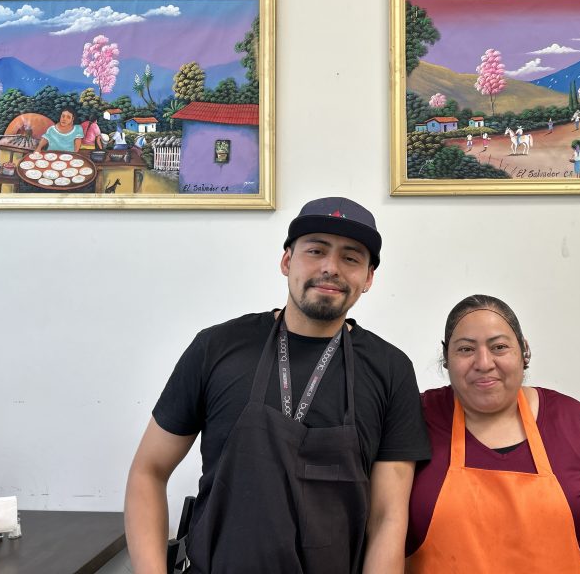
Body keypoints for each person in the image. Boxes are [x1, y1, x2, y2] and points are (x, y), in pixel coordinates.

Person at [125, 197, 431, 573]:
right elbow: (148, 471)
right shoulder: (217, 347)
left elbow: (388, 517)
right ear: (287, 261)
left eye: (351, 258)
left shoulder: (391, 369)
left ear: (368, 278)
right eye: (315, 250)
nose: (330, 267)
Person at [406, 295, 580, 573]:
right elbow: (382, 526)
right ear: (447, 358)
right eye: (465, 349)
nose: (484, 363)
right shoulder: (414, 419)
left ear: (524, 351)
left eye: (499, 347)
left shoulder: (573, 421)